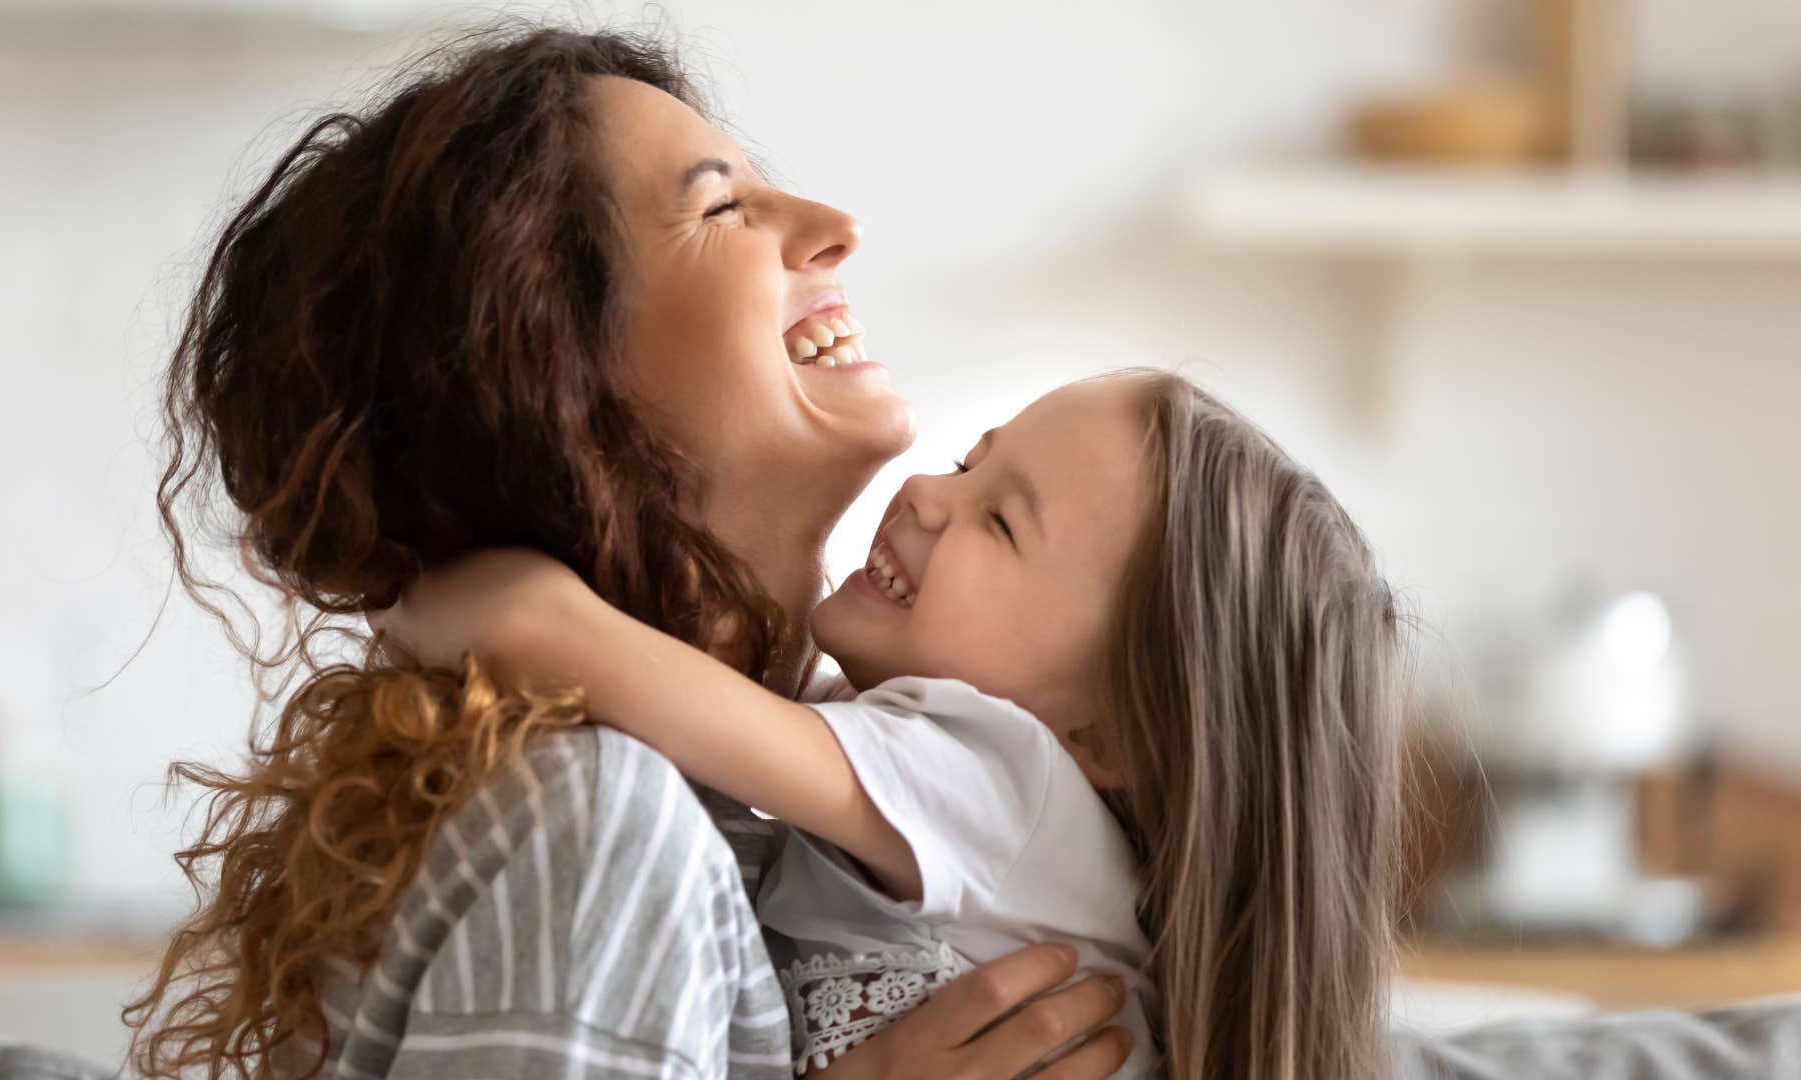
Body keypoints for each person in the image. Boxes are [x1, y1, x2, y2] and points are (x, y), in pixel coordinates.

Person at [124, 23, 1134, 1080]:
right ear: (559, 382)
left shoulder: (741, 825)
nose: (838, 228)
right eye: (723, 208)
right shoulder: (607, 828)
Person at [377, 370, 1404, 1079]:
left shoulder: (1001, 777)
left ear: (1112, 736)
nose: (922, 492)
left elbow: (542, 634)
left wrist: (400, 580)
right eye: (966, 463)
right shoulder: (956, 792)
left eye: (1001, 523)